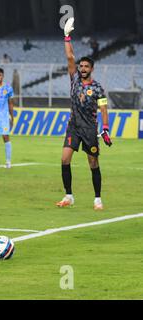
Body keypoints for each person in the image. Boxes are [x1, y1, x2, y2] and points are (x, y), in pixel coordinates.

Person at [57, 18, 112, 210]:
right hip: (74, 127)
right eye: (81, 66)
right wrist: (67, 36)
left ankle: (97, 198)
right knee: (65, 159)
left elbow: (103, 109)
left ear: (92, 69)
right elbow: (70, 57)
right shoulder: (74, 80)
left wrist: (105, 129)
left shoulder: (97, 88)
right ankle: (69, 196)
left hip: (90, 129)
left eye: (86, 67)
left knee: (93, 163)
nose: (82, 69)